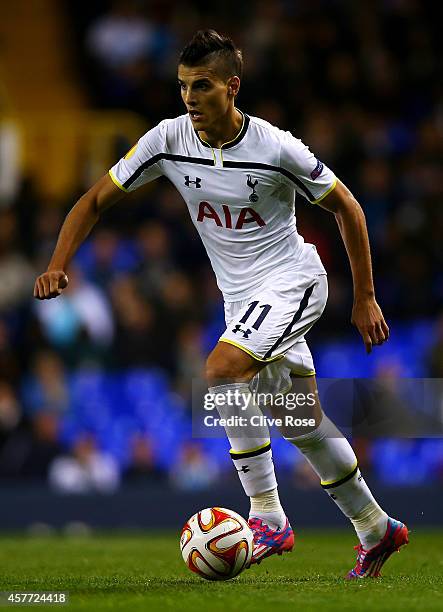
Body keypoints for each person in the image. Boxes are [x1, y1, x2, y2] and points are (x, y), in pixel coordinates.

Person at [34, 30, 408, 579]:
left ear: (231, 88)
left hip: (293, 280)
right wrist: (57, 263)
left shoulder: (276, 148)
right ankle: (377, 527)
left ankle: (267, 516)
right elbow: (93, 200)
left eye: (201, 86)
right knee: (300, 420)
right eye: (183, 86)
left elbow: (348, 208)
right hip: (242, 302)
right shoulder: (167, 140)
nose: (189, 97)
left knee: (219, 372)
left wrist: (366, 297)